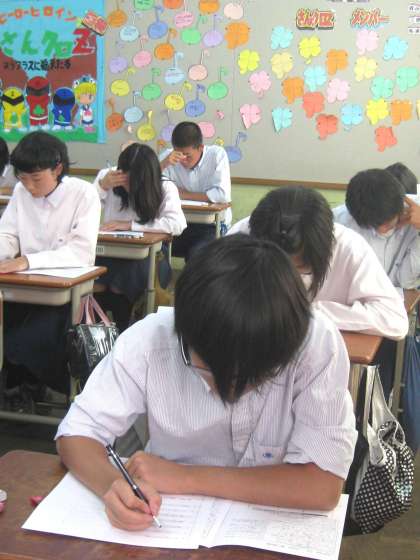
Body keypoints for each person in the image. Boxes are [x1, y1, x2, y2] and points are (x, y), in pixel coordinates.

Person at [56, 234, 356, 531]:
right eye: (212, 371)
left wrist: (185, 477)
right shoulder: (151, 341)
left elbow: (323, 486)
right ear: (185, 331)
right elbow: (76, 434)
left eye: (254, 378)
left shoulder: (316, 347)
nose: (232, 390)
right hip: (170, 527)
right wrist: (114, 486)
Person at [0, 131, 101, 406]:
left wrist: (28, 261)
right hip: (23, 289)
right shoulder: (21, 192)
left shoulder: (83, 194)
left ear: (57, 169)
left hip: (67, 295)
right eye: (22, 178)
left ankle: (33, 386)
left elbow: (81, 252)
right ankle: (18, 386)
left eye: (36, 179)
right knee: (7, 326)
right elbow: (7, 234)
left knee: (31, 338)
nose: (29, 186)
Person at [229, 186, 408, 340]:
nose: (289, 279)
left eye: (301, 269)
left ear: (326, 248)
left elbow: (394, 320)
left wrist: (309, 312)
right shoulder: (242, 236)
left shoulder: (348, 247)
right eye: (276, 268)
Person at [93, 143, 187, 331]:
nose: (128, 185)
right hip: (109, 252)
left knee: (122, 280)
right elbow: (82, 210)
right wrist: (102, 186)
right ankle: (95, 335)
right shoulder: (108, 179)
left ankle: (123, 332)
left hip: (150, 257)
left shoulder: (164, 187)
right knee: (93, 278)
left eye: (133, 181)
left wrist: (131, 225)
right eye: (125, 179)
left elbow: (177, 224)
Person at [334, 168, 420, 289]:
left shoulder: (414, 209)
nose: (383, 231)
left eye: (389, 224)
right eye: (374, 226)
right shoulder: (338, 222)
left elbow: (406, 282)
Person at [160, 121, 231, 260]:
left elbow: (222, 195)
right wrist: (163, 164)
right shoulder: (168, 157)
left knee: (198, 256)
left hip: (211, 226)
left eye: (187, 155)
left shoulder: (216, 155)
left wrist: (183, 194)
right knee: (157, 249)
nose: (182, 160)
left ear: (200, 147)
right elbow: (151, 188)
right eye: (179, 155)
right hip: (178, 223)